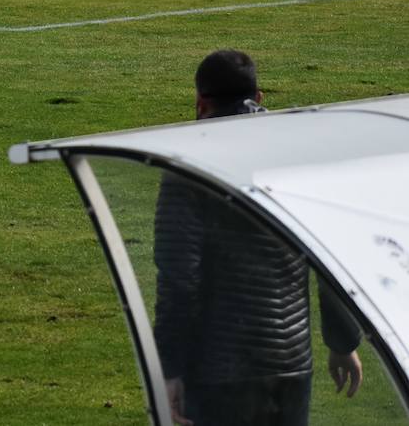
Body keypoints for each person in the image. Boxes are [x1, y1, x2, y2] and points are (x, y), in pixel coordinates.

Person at [153, 49, 363, 426]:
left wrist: (168, 370)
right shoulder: (296, 153)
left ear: (200, 102)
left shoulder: (187, 167)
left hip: (219, 369)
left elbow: (179, 280)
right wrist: (342, 341)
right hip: (292, 360)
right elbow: (328, 250)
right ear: (259, 97)